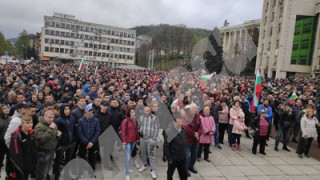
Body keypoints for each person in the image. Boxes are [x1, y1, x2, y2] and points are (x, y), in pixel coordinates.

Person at [8, 115, 37, 180]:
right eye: (27, 123)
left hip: (29, 165)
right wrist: (19, 169)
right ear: (22, 124)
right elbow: (16, 155)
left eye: (31, 122)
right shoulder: (16, 137)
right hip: (21, 168)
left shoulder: (31, 134)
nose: (30, 125)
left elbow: (33, 150)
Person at [35, 110, 61, 180]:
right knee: (42, 173)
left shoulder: (53, 124)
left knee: (46, 171)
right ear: (44, 117)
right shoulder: (39, 126)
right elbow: (41, 139)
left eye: (53, 117)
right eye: (49, 117)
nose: (51, 119)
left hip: (51, 150)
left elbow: (54, 137)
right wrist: (50, 129)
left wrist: (58, 136)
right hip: (43, 152)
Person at [53, 104, 76, 180]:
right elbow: (55, 133)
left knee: (68, 160)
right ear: (62, 110)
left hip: (71, 143)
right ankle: (57, 175)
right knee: (58, 161)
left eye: (68, 109)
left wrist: (74, 140)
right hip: (62, 144)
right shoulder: (58, 120)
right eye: (65, 109)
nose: (67, 111)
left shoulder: (72, 118)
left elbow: (73, 130)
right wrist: (57, 144)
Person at [164, 112, 188, 180]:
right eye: (178, 122)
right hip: (173, 159)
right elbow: (166, 146)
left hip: (182, 158)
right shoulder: (168, 131)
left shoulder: (183, 130)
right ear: (173, 122)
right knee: (170, 174)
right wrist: (170, 159)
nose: (180, 123)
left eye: (181, 121)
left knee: (184, 175)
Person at [137, 106, 159, 179]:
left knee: (152, 154)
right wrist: (140, 132)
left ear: (150, 110)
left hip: (151, 140)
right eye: (146, 111)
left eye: (149, 110)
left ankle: (152, 170)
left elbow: (157, 128)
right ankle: (144, 165)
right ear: (144, 111)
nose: (148, 112)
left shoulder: (154, 118)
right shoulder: (141, 117)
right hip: (143, 139)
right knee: (143, 153)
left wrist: (154, 138)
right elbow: (139, 126)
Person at [77, 103, 100, 170]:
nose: (91, 112)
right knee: (82, 155)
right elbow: (80, 132)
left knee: (92, 156)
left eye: (91, 110)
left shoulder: (96, 120)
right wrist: (86, 142)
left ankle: (92, 168)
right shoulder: (80, 121)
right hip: (83, 142)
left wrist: (92, 142)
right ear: (85, 111)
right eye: (89, 110)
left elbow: (97, 131)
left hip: (93, 142)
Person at [183, 103, 201, 177]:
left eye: (196, 108)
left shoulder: (198, 116)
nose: (195, 110)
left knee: (194, 155)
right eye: (194, 108)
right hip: (187, 139)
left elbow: (201, 126)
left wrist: (198, 133)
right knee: (187, 156)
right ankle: (185, 170)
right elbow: (186, 128)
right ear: (190, 109)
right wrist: (195, 134)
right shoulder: (185, 116)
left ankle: (191, 167)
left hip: (195, 140)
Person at [121, 108, 140, 180]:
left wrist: (137, 138)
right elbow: (123, 132)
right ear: (129, 113)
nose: (134, 113)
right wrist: (124, 142)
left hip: (133, 141)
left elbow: (136, 131)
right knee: (127, 157)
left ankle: (126, 168)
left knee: (129, 157)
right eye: (132, 112)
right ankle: (126, 174)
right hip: (127, 142)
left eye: (134, 111)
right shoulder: (125, 121)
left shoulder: (134, 121)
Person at [0, 104, 11, 178]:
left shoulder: (10, 119)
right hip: (0, 143)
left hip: (8, 142)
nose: (6, 109)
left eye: (7, 107)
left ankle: (8, 174)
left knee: (10, 160)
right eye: (4, 108)